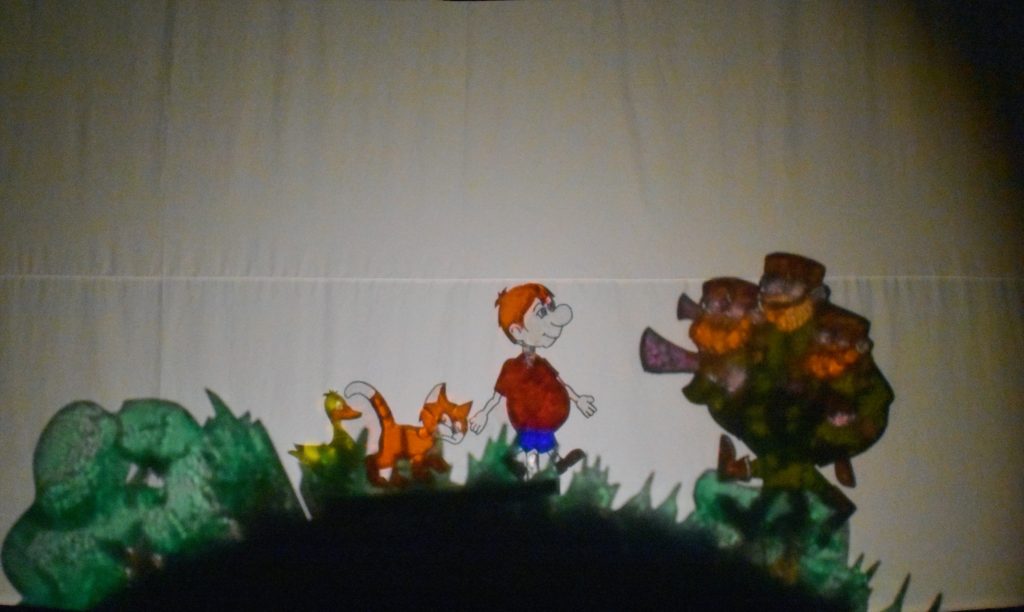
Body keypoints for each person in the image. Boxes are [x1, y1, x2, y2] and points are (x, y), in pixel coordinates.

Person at [469, 283, 596, 477]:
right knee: (531, 450)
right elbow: (497, 397)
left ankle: (553, 464)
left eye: (549, 308)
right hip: (528, 424)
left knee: (545, 444)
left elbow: (560, 383)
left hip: (544, 424)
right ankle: (527, 472)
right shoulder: (512, 368)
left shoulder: (542, 363)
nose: (551, 316)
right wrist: (483, 414)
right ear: (517, 331)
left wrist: (578, 399)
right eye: (541, 313)